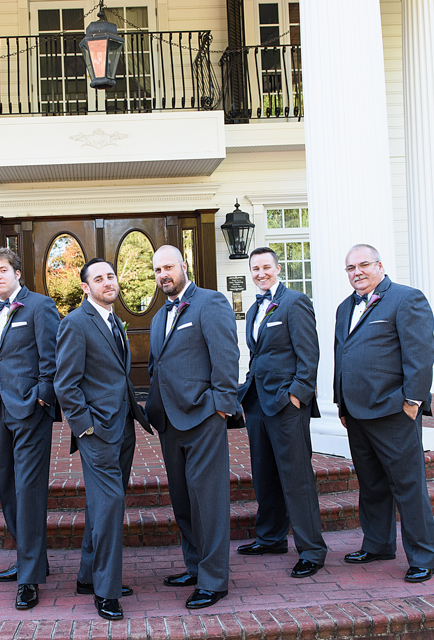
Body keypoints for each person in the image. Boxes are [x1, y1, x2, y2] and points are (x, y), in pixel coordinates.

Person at [334, 244, 434, 583]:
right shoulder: (343, 308)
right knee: (371, 484)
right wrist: (341, 403)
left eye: (363, 265)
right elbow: (343, 355)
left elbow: (420, 355)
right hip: (357, 414)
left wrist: (412, 402)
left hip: (395, 412)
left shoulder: (406, 299)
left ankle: (423, 556)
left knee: (407, 485)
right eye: (350, 268)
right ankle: (378, 543)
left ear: (380, 265)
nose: (357, 272)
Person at [54, 258, 153, 621]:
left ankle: (86, 576)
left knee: (102, 505)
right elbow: (65, 383)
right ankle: (106, 591)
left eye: (111, 275)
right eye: (98, 278)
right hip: (97, 433)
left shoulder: (113, 321)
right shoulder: (75, 324)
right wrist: (86, 428)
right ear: (85, 287)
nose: (107, 282)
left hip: (123, 427)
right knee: (111, 506)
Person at [145, 245, 240, 610]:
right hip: (169, 422)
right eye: (157, 270)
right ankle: (194, 566)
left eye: (168, 267)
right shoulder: (157, 318)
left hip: (203, 417)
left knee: (209, 501)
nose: (163, 275)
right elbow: (157, 367)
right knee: (183, 500)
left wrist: (221, 407)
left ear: (184, 265)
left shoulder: (210, 303)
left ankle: (214, 580)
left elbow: (226, 357)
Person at [236, 247, 328, 578]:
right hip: (258, 404)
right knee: (264, 474)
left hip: (287, 404)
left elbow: (309, 354)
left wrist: (298, 396)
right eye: (255, 268)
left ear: (277, 268)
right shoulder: (252, 309)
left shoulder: (295, 302)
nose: (260, 273)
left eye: (266, 267)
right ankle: (271, 537)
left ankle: (312, 550)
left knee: (296, 477)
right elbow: (257, 356)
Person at [0, 248, 60, 610]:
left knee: (28, 492)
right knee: (9, 490)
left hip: (29, 412)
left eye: (1, 270)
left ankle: (29, 578)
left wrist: (42, 398)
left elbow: (53, 358)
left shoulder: (40, 307)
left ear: (16, 272)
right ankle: (29, 558)